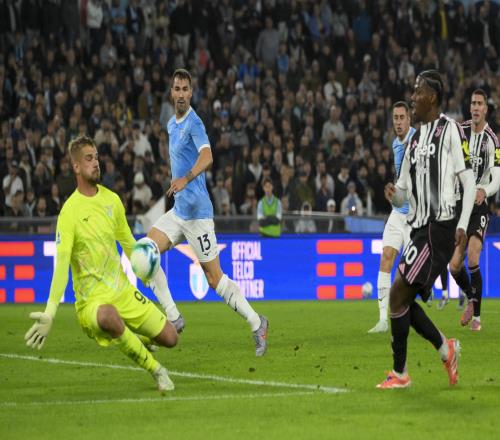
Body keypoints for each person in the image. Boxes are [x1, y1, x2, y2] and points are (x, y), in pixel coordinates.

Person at [24, 135, 178, 392]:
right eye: (89, 158)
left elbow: (130, 246)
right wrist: (50, 311)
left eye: (96, 157)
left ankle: (135, 338)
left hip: (123, 292)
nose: (96, 162)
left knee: (171, 338)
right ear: (76, 166)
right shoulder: (69, 213)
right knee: (109, 317)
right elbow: (61, 265)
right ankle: (156, 370)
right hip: (92, 304)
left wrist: (148, 269)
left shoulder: (112, 200)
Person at [146, 69, 269, 356]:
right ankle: (173, 317)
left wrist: (185, 179)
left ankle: (257, 323)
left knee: (215, 279)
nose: (180, 94)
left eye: (185, 89)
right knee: (145, 254)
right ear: (171, 92)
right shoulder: (171, 124)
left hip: (198, 215)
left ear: (191, 93)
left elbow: (208, 156)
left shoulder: (194, 123)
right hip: (178, 213)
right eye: (176, 89)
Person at [377, 70, 475, 389]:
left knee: (397, 295)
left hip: (439, 228)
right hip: (418, 229)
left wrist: (463, 224)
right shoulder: (414, 141)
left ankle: (401, 373)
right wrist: (394, 195)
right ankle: (446, 350)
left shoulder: (450, 130)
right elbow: (404, 193)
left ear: (431, 97)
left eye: (418, 92)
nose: (413, 97)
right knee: (402, 299)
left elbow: (468, 180)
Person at [448, 89, 500, 330]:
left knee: (473, 256)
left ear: (485, 109)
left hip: (479, 206)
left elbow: (497, 178)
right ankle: (471, 296)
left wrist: (484, 191)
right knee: (453, 266)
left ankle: (477, 318)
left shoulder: (493, 141)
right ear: (469, 107)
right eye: (473, 103)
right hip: (460, 205)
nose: (476, 107)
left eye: (480, 103)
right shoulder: (460, 132)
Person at [368, 101, 415, 333]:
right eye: (395, 118)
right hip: (398, 213)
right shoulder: (396, 144)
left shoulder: (419, 141)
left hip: (416, 216)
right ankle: (382, 320)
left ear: (409, 119)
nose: (398, 122)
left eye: (401, 117)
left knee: (412, 272)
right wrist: (394, 196)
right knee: (386, 256)